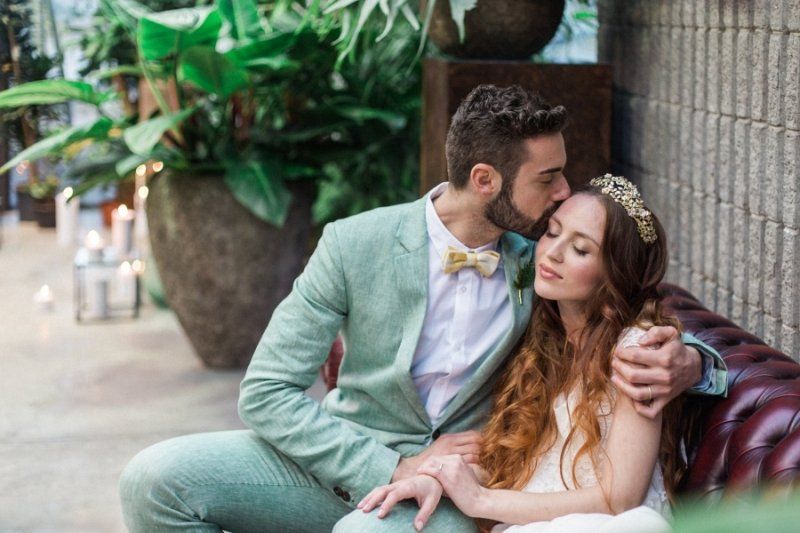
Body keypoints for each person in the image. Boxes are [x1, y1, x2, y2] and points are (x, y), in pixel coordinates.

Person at [119, 86, 726, 532]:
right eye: (550, 178)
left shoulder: (536, 264)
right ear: (486, 179)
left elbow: (622, 318)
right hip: (343, 456)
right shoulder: (353, 243)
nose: (564, 191)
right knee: (154, 479)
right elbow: (266, 392)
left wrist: (693, 365)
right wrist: (392, 461)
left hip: (455, 486)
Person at [355, 176, 696, 532]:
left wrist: (481, 500)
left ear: (615, 273)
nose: (553, 252)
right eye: (551, 232)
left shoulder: (636, 353)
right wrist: (439, 478)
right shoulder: (542, 339)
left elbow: (620, 499)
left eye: (580, 249)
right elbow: (524, 469)